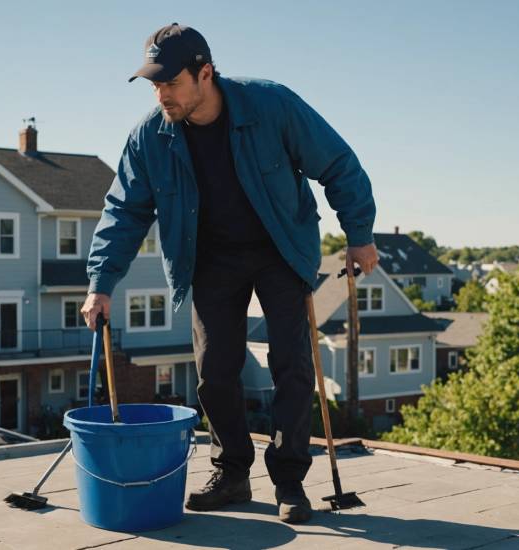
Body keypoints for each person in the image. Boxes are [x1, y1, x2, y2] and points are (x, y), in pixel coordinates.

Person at [81, 23, 378, 524]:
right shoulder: (149, 136)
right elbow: (124, 212)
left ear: (205, 73)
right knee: (215, 368)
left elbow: (338, 164)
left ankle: (289, 481)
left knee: (291, 364)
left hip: (281, 247)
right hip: (209, 256)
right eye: (154, 84)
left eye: (171, 82)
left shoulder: (272, 106)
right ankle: (232, 472)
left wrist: (360, 234)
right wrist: (100, 284)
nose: (162, 94)